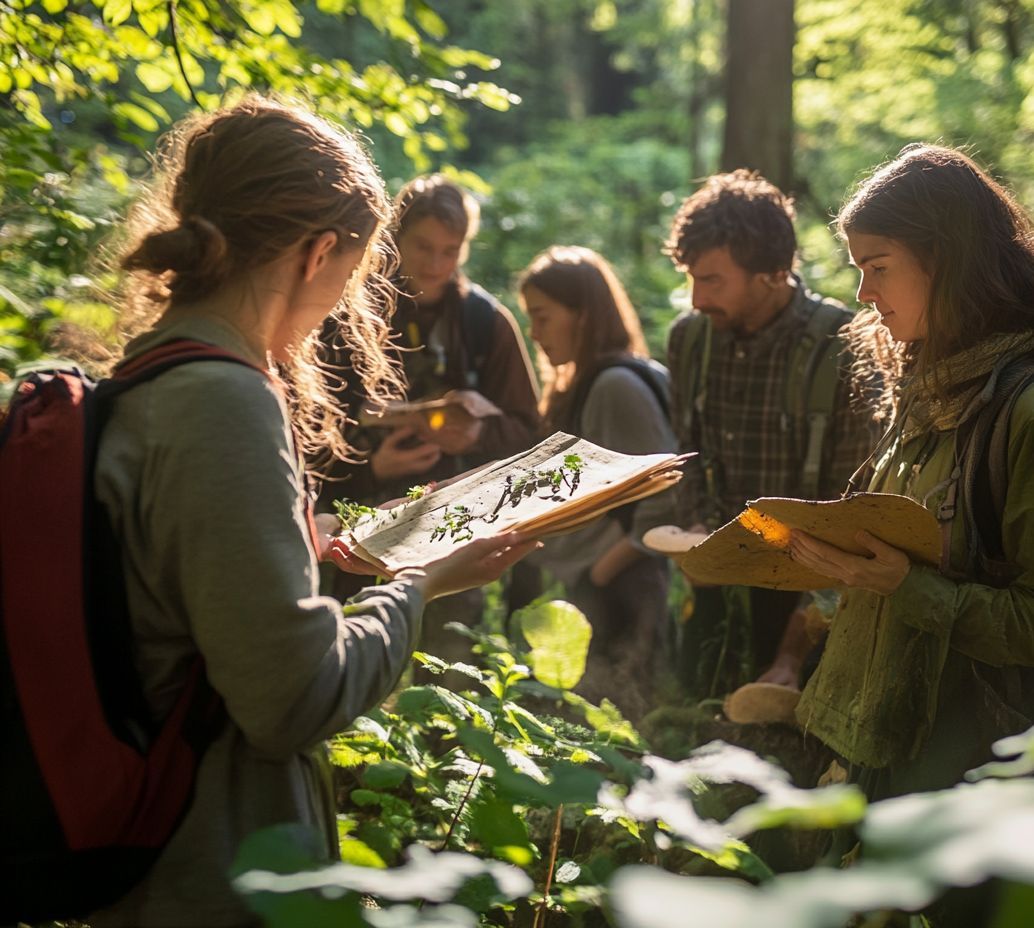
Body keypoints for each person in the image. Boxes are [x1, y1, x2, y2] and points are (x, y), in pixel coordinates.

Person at [88, 98, 538, 926]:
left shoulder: (144, 375)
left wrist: (310, 538)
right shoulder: (224, 402)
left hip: (150, 854)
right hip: (216, 870)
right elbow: (295, 698)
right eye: (355, 275)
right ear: (318, 252)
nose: (341, 304)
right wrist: (416, 583)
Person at [791, 143, 1034, 807]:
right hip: (900, 747)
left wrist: (900, 583)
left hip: (987, 777)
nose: (863, 294)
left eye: (878, 267)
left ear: (947, 262)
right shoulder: (928, 388)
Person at [663, 170, 881, 702]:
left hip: (807, 599)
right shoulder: (690, 339)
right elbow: (684, 452)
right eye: (690, 276)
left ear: (771, 273)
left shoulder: (843, 348)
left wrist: (792, 651)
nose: (695, 297)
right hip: (710, 582)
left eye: (712, 280)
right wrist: (693, 534)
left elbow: (855, 514)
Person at [316, 175, 542, 661]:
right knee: (347, 658)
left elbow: (528, 429)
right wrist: (371, 467)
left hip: (454, 526)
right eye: (424, 247)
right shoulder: (347, 312)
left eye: (451, 250)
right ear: (394, 236)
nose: (437, 264)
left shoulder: (486, 322)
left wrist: (475, 432)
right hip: (352, 526)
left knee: (449, 666)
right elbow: (313, 426)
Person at [518, 246, 677, 720]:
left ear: (582, 315)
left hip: (620, 590)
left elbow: (666, 493)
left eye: (543, 317)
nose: (534, 332)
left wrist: (601, 573)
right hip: (597, 588)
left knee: (610, 731)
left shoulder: (615, 386)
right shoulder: (592, 381)